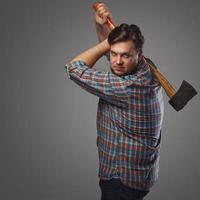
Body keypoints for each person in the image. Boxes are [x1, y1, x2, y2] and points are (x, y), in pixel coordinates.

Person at [65, 3, 164, 200]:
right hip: (140, 176)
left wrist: (109, 41)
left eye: (125, 55)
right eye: (114, 53)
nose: (117, 61)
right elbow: (115, 63)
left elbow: (73, 68)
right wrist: (102, 28)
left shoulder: (128, 88)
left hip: (121, 181)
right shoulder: (146, 70)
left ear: (138, 55)